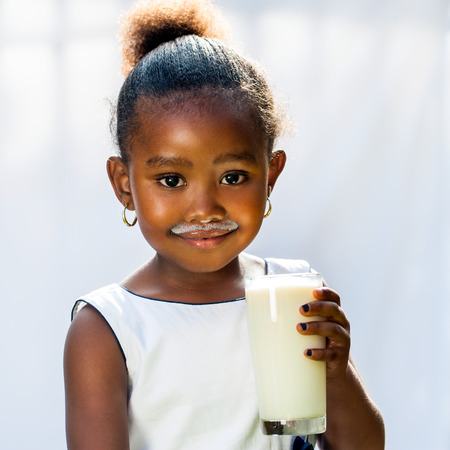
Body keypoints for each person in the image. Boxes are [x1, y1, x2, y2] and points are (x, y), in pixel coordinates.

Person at [63, 0, 385, 449]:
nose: (205, 208)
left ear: (270, 176)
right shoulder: (109, 329)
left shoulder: (293, 294)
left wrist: (335, 372)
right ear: (124, 185)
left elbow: (364, 446)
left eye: (233, 177)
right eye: (171, 179)